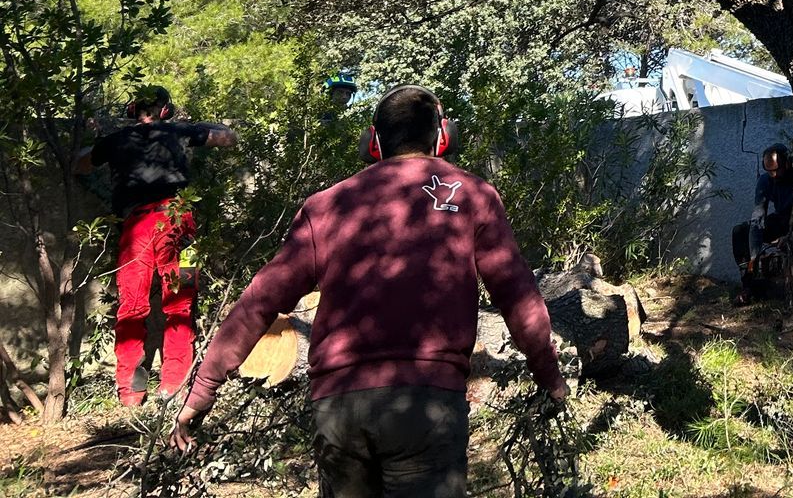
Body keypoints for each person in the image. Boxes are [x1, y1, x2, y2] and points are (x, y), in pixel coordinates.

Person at [169, 85, 567, 498]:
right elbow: (517, 295)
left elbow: (260, 300)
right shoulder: (473, 195)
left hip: (339, 409)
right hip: (426, 404)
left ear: (374, 141)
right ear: (442, 136)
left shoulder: (326, 205)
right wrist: (550, 377)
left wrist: (203, 389)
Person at [76, 84, 236, 406]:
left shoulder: (117, 140)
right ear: (165, 109)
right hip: (180, 224)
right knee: (181, 302)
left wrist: (102, 140)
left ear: (133, 110)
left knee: (131, 308)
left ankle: (131, 392)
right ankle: (174, 385)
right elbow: (228, 137)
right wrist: (199, 128)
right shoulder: (178, 130)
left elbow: (80, 163)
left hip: (135, 228)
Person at [731, 143, 793, 305]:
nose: (773, 175)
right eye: (769, 171)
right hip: (781, 219)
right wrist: (754, 254)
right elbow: (758, 216)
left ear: (787, 163)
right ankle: (748, 286)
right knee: (741, 232)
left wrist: (789, 237)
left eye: (777, 170)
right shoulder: (765, 181)